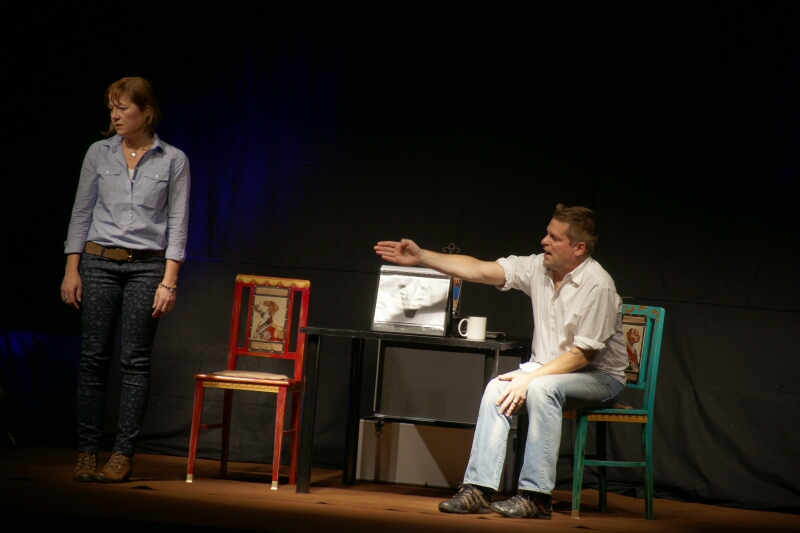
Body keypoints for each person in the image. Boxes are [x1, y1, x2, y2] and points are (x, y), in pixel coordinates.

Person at [374, 204, 627, 519]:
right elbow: (479, 270)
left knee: (542, 390)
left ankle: (536, 497)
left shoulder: (598, 285)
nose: (544, 241)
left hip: (600, 378)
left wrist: (531, 379)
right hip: (549, 371)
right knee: (497, 388)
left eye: (554, 237)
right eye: (547, 234)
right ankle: (478, 489)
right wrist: (421, 256)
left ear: (579, 248)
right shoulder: (538, 268)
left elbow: (583, 355)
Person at [61, 77, 190, 483]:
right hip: (98, 263)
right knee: (93, 360)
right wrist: (71, 269)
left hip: (147, 268)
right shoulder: (98, 153)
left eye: (123, 108)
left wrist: (169, 281)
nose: (115, 116)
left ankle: (122, 455)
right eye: (111, 108)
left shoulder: (173, 160)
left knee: (135, 362)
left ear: (145, 112)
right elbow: (81, 212)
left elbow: (178, 223)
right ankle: (86, 453)